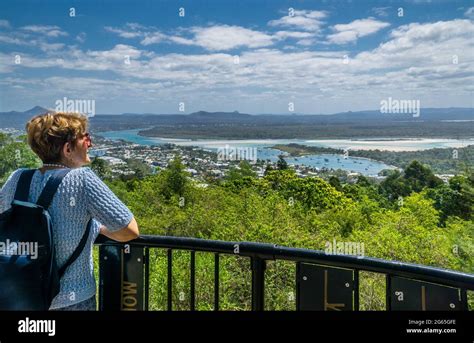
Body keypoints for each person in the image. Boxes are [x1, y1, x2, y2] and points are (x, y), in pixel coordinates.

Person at [0, 112, 139, 310]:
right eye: (85, 138)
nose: (90, 143)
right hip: (74, 300)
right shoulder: (82, 179)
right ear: (67, 148)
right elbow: (130, 230)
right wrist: (96, 227)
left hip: (21, 295)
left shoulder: (17, 178)